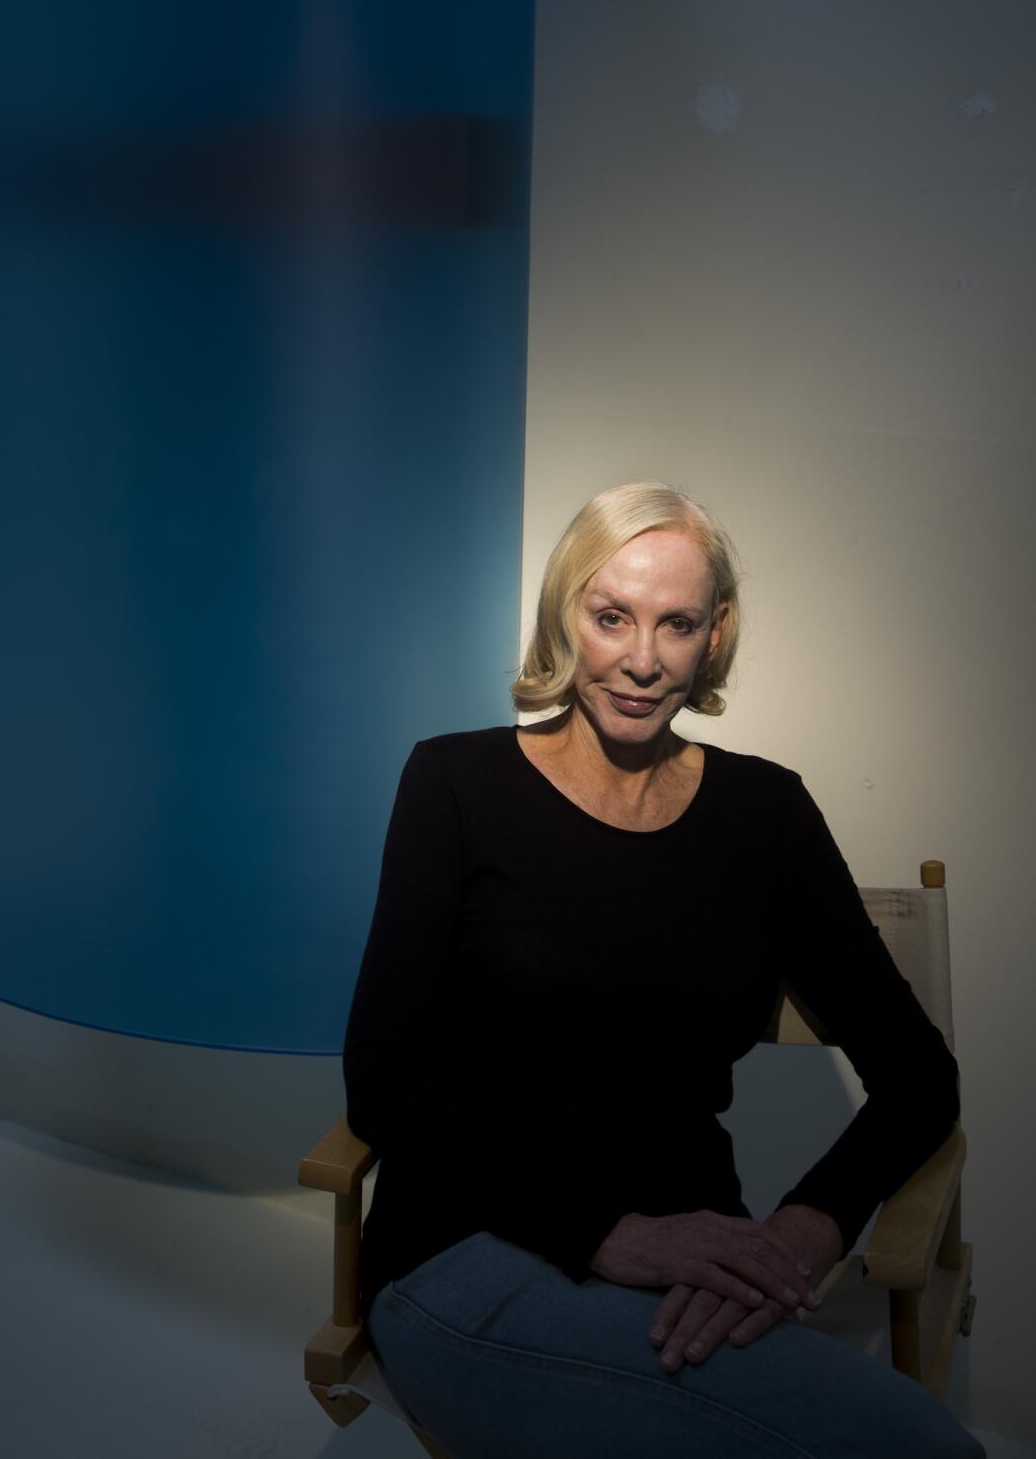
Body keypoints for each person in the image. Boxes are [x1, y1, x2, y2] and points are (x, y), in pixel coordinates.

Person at [343, 482, 983, 1458]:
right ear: (566, 615)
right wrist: (606, 1231)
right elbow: (382, 1080)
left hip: (697, 1271)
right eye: (611, 618)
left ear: (715, 634)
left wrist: (811, 1225)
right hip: (469, 1252)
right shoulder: (454, 783)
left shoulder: (766, 815)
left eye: (676, 624)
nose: (642, 661)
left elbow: (919, 1075)